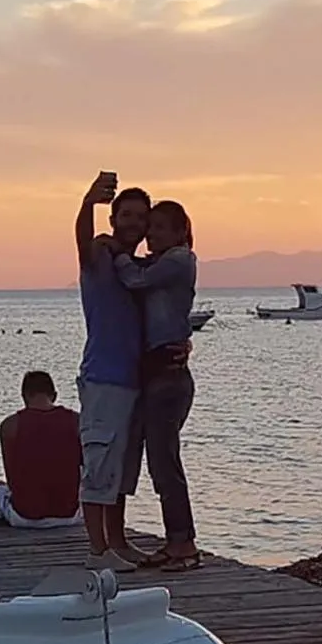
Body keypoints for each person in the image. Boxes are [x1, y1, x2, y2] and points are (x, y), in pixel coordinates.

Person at [113, 199, 201, 570]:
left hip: (169, 375)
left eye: (161, 227)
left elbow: (136, 279)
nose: (151, 234)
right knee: (158, 462)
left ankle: (184, 545)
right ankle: (175, 542)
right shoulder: (162, 261)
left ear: (181, 232)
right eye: (151, 227)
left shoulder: (179, 259)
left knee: (165, 463)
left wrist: (115, 253)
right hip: (157, 373)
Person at [74, 171, 149, 570]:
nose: (134, 223)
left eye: (142, 217)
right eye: (128, 215)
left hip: (133, 381)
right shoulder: (100, 255)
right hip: (103, 377)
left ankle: (118, 543)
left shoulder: (136, 270)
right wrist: (88, 202)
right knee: (99, 464)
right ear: (114, 218)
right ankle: (97, 552)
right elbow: (82, 243)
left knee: (120, 470)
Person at [0, 369, 84, 526]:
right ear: (54, 395)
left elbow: (12, 477)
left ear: (24, 396)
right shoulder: (76, 421)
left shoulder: (9, 425)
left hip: (25, 517)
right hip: (68, 515)